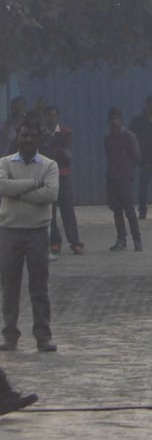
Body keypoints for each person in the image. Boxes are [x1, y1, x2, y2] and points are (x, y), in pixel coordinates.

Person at [0, 122, 58, 352]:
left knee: (39, 286)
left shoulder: (49, 165)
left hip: (37, 232)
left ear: (38, 138)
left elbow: (51, 193)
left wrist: (17, 191)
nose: (27, 139)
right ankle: (10, 336)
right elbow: (2, 187)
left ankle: (43, 336)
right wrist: (34, 184)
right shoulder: (4, 163)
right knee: (10, 286)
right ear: (18, 137)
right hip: (9, 230)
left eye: (32, 135)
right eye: (23, 135)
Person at [42, 108, 81, 256]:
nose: (52, 118)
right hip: (48, 177)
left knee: (67, 210)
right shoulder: (42, 134)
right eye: (49, 115)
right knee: (50, 212)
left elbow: (65, 153)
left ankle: (75, 242)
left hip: (63, 175)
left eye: (54, 115)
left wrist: (52, 151)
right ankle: (55, 242)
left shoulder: (65, 132)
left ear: (58, 116)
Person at [104, 108, 143, 252]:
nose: (114, 122)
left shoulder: (128, 136)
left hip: (125, 178)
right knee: (117, 210)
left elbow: (137, 157)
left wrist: (127, 168)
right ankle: (121, 239)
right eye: (111, 119)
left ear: (121, 120)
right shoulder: (108, 138)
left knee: (129, 210)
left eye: (116, 118)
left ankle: (137, 240)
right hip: (112, 177)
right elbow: (109, 156)